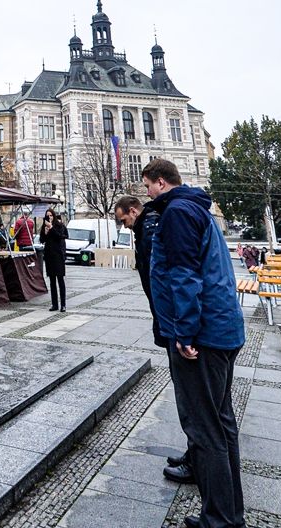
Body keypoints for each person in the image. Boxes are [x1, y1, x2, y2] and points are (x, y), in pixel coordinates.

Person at [144, 158, 245, 528]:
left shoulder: (178, 213)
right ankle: (228, 513)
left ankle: (220, 520)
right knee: (221, 422)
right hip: (222, 329)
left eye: (148, 186)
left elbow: (185, 276)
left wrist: (184, 333)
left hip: (202, 336)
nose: (147, 193)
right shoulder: (198, 208)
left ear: (160, 182)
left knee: (205, 429)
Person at [114, 194, 194, 486]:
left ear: (132, 211)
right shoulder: (150, 225)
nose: (124, 225)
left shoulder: (152, 226)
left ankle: (198, 459)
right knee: (186, 391)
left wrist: (176, 326)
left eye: (124, 219)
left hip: (174, 321)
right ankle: (194, 453)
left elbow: (168, 277)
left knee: (189, 393)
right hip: (170, 319)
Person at [39, 208, 68, 312]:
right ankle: (54, 304)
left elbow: (60, 236)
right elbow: (42, 240)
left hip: (58, 255)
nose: (49, 217)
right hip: (49, 255)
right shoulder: (44, 226)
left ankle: (63, 305)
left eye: (51, 215)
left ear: (54, 216)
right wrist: (45, 232)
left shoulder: (59, 225)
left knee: (60, 280)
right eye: (47, 216)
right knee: (52, 281)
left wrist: (51, 227)